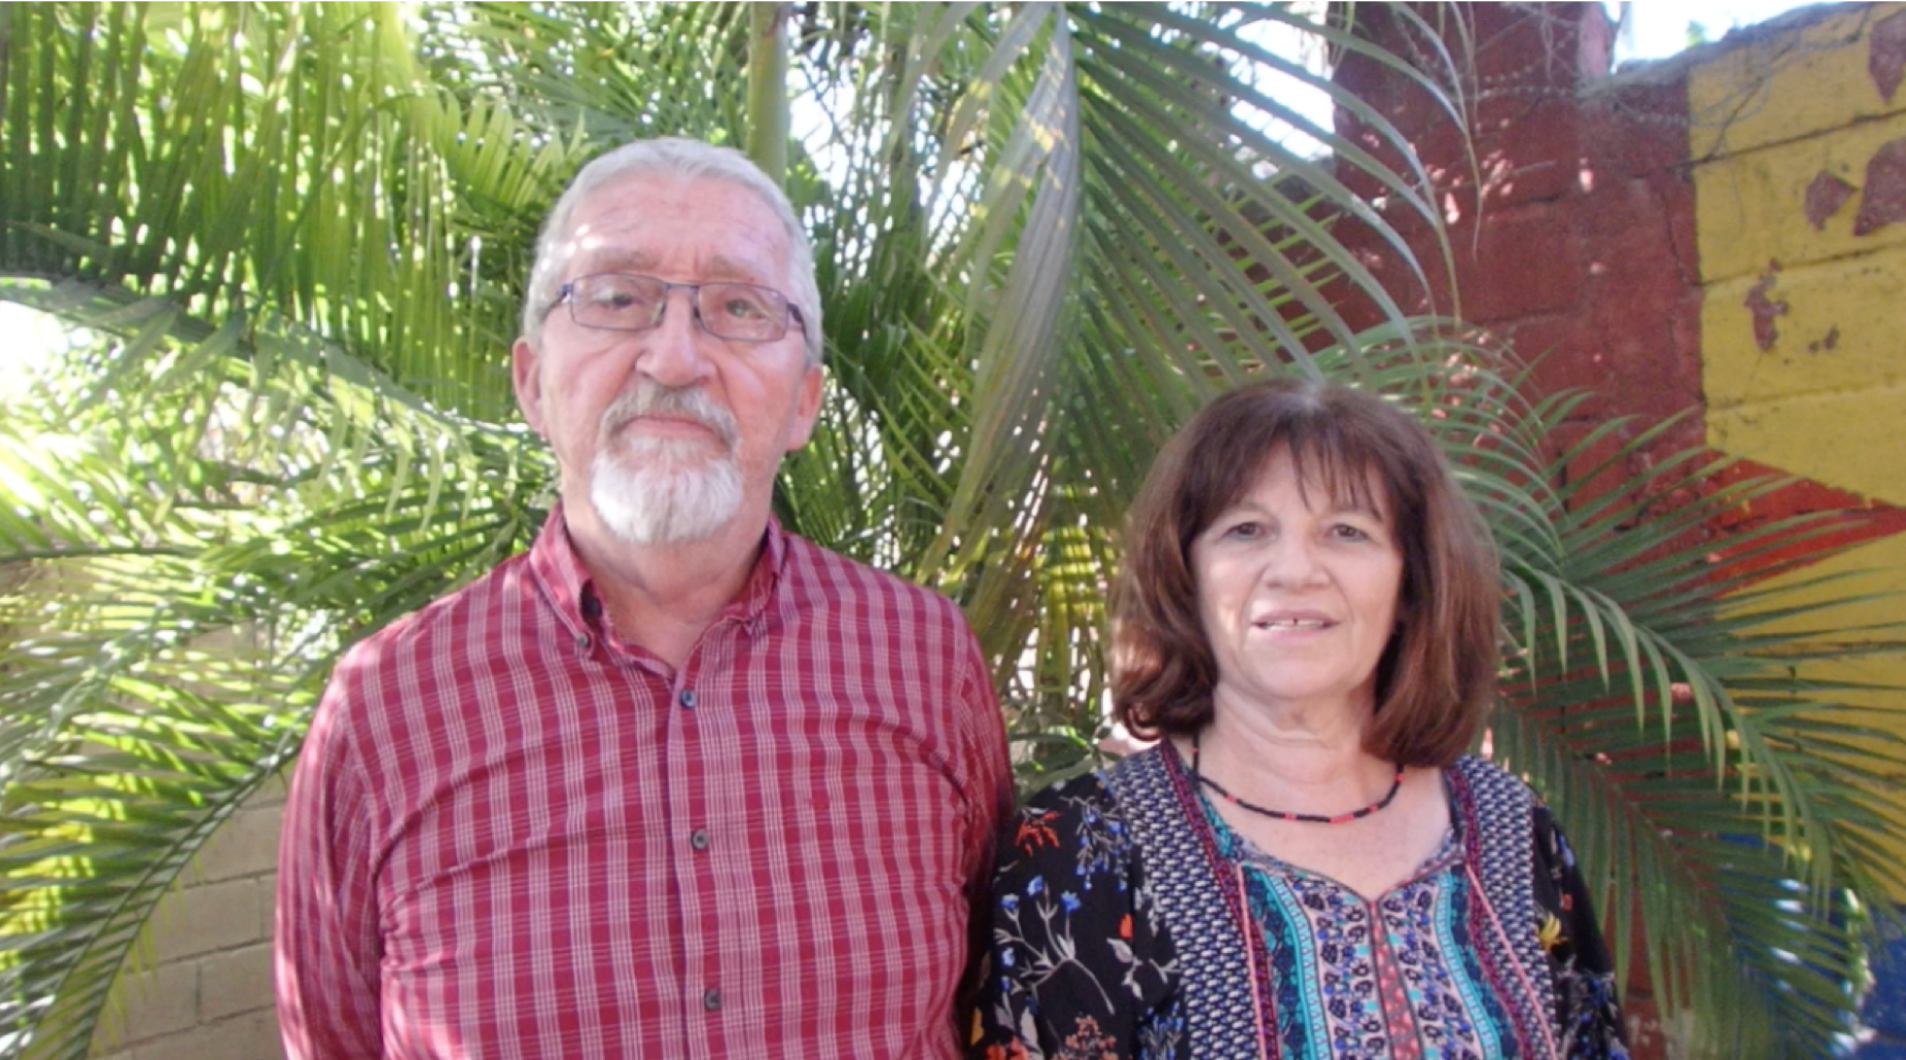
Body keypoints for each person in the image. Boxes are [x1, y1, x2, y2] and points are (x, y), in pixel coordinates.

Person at [276, 137, 1014, 1060]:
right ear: (531, 382)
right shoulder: (385, 706)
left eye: (738, 307)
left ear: (804, 405)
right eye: (617, 298)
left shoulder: (922, 658)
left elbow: (996, 988)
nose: (673, 358)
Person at [968, 379, 1629, 1060]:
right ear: (1186, 577)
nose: (1294, 570)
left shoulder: (1513, 828)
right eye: (1246, 530)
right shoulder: (1081, 849)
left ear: (1412, 583)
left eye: (1348, 531)